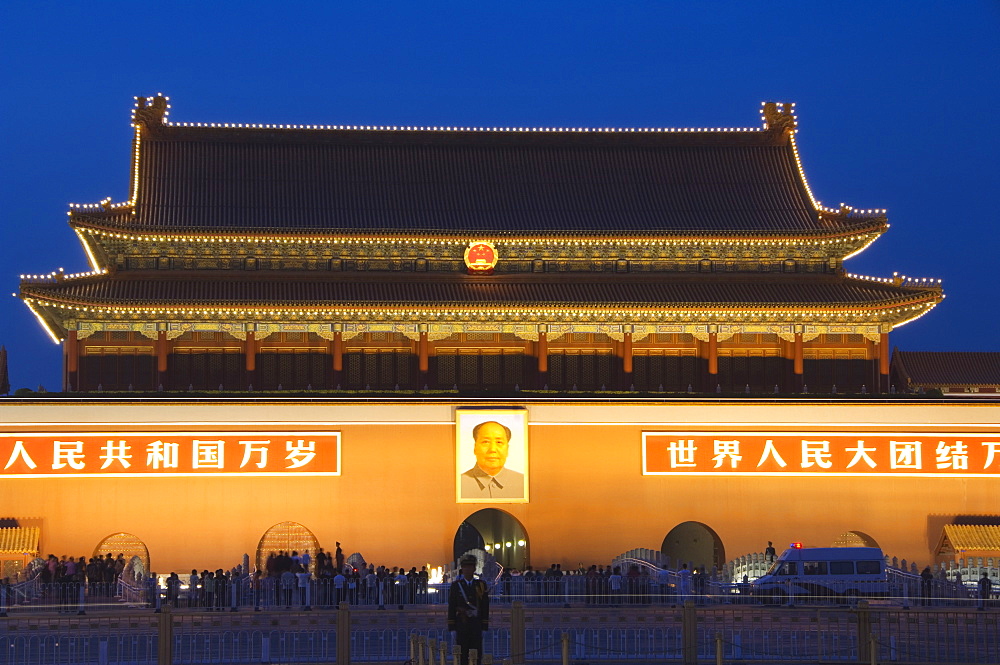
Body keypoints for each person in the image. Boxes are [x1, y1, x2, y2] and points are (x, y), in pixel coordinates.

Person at [460, 421, 525, 499]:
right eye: (486, 442)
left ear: (507, 449)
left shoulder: (524, 483)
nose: (492, 449)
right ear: (475, 448)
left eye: (499, 442)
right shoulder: (458, 484)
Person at [448, 555, 490, 665]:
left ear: (474, 569)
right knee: (462, 654)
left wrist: (484, 626)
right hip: (461, 624)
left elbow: (485, 606)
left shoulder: (480, 585)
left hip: (476, 624)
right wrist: (452, 627)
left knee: (476, 654)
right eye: (465, 567)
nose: (468, 569)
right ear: (462, 569)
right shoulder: (456, 586)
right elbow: (452, 606)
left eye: (470, 567)